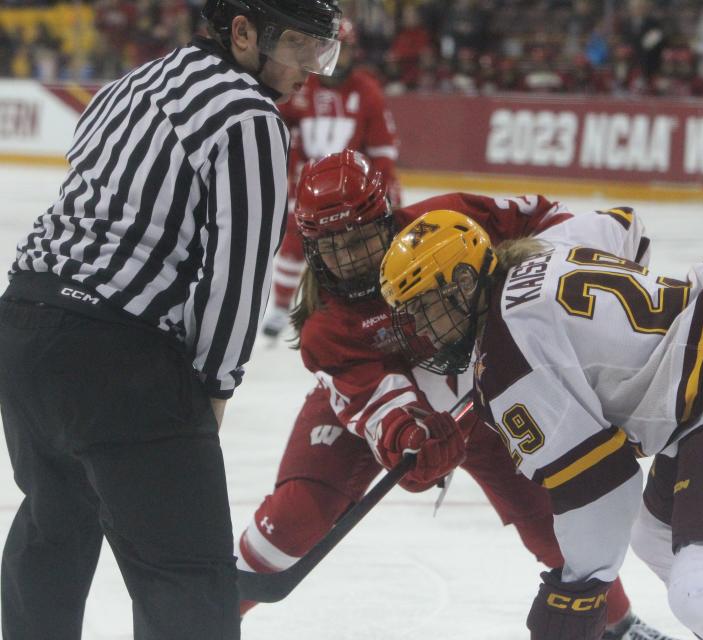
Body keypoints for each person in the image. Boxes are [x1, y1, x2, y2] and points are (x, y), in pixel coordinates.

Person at [0, 0, 342, 637]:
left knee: (53, 529)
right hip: (118, 362)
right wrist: (214, 388)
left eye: (322, 49)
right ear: (243, 33)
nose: (311, 68)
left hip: (23, 329)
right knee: (185, 582)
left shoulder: (130, 83)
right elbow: (237, 274)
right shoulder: (248, 113)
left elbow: (81, 200)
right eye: (299, 45)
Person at [235, 150, 676, 640]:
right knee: (294, 518)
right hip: (378, 410)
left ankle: (619, 625)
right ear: (313, 249)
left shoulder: (446, 224)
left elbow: (545, 219)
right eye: (334, 247)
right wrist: (412, 436)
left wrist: (555, 287)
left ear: (386, 216)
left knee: (556, 523)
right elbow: (381, 406)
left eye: (360, 239)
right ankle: (208, 609)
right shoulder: (330, 331)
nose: (351, 258)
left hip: (487, 398)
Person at [379, 206, 703, 640]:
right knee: (656, 537)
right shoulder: (541, 251)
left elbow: (600, 483)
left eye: (425, 306)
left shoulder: (505, 360)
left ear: (463, 280)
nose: (422, 328)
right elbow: (624, 225)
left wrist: (578, 587)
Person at [262, 17, 401, 337]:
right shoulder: (299, 85)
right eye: (326, 49)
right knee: (295, 242)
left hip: (355, 191)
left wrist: (382, 190)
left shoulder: (367, 91)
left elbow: (383, 149)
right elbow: (276, 128)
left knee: (364, 248)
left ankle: (373, 302)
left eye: (342, 50)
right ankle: (282, 308)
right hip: (306, 186)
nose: (335, 58)